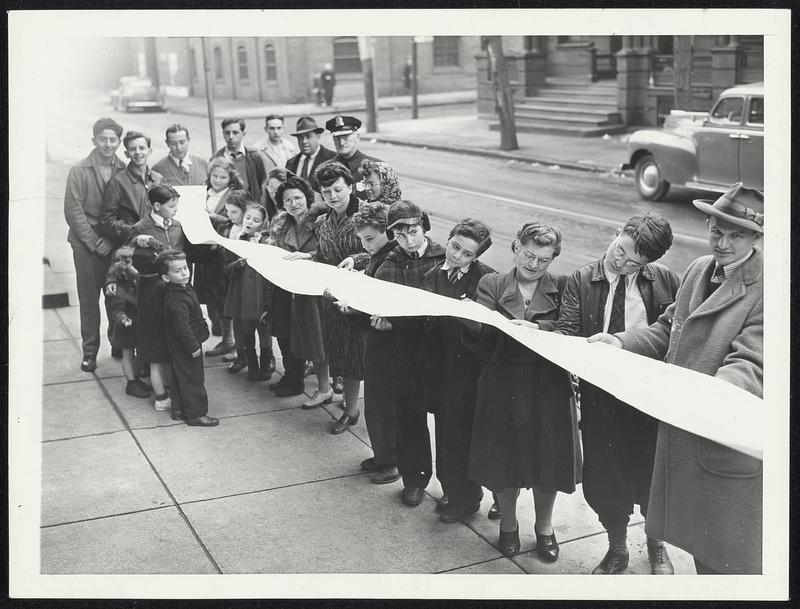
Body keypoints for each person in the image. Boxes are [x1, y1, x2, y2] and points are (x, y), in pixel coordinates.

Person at [588, 183, 764, 575]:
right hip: (683, 434)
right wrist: (618, 341)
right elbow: (669, 328)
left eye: (737, 235)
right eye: (717, 231)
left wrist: (699, 397)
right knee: (704, 554)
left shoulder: (768, 286)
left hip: (721, 440)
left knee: (729, 558)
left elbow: (752, 364)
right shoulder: (699, 269)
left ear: (756, 237)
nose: (723, 243)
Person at [555, 213, 678, 575]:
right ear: (617, 232)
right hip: (602, 395)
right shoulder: (582, 278)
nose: (620, 262)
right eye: (620, 250)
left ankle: (656, 544)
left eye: (634, 262)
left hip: (648, 395)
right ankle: (617, 546)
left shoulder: (666, 279)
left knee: (653, 473)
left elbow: (676, 329)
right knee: (606, 476)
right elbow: (567, 330)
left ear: (649, 263)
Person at [462, 222, 580, 563]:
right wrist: (471, 321)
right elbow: (481, 344)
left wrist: (538, 328)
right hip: (503, 383)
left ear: (553, 258)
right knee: (504, 461)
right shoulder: (492, 283)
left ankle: (545, 528)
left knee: (549, 464)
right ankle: (509, 525)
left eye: (544, 259)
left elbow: (572, 330)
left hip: (548, 385)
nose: (534, 264)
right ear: (516, 247)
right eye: (529, 254)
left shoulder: (563, 285)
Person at [419, 219, 496, 523]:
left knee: (462, 437)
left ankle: (467, 499)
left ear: (476, 258)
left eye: (467, 254)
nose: (458, 256)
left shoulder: (485, 280)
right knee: (445, 433)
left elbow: (490, 331)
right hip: (439, 368)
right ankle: (451, 488)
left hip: (469, 371)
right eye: (455, 247)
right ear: (448, 239)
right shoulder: (431, 274)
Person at [371, 200, 446, 507]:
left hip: (442, 355)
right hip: (404, 356)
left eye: (413, 232)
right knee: (408, 421)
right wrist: (376, 320)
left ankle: (455, 488)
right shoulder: (386, 265)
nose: (408, 240)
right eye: (400, 235)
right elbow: (372, 306)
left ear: (424, 227)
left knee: (449, 424)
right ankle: (414, 481)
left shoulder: (445, 258)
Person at [286, 162, 368, 432]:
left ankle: (352, 410)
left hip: (359, 294)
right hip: (331, 294)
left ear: (350, 186)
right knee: (339, 351)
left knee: (353, 353)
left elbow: (383, 250)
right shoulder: (322, 221)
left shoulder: (366, 215)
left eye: (337, 189)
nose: (332, 196)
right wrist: (307, 256)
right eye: (327, 191)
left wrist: (356, 260)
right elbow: (323, 255)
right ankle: (346, 402)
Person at [343, 203, 400, 484]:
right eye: (362, 240)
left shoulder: (390, 260)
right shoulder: (378, 256)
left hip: (388, 344)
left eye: (369, 239)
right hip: (375, 340)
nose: (364, 246)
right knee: (375, 404)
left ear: (387, 232)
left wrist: (352, 307)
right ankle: (382, 455)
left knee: (384, 405)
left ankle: (390, 462)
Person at [64, 117, 126, 372]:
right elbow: (73, 210)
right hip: (85, 246)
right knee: (89, 301)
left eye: (113, 140)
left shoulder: (124, 169)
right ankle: (90, 352)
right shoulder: (79, 170)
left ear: (119, 142)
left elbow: (126, 209)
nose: (108, 144)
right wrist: (93, 241)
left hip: (113, 245)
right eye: (103, 139)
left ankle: (117, 342)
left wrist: (111, 239)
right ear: (94, 140)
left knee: (115, 297)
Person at [268, 176, 332, 400]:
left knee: (312, 337)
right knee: (284, 333)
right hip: (285, 285)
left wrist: (309, 256)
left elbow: (329, 252)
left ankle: (299, 381)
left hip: (312, 288)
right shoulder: (281, 224)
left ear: (307, 198)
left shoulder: (321, 222)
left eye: (298, 198)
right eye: (288, 200)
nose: (293, 203)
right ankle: (291, 375)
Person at [127, 185, 188, 412]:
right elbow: (133, 261)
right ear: (156, 206)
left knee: (173, 338)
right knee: (155, 343)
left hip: (175, 294)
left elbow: (183, 254)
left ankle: (172, 388)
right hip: (152, 293)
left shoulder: (178, 226)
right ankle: (161, 396)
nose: (175, 210)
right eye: (172, 206)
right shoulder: (140, 229)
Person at [158, 249, 218, 427]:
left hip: (180, 346)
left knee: (179, 376)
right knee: (193, 379)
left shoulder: (182, 289)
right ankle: (196, 414)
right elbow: (182, 327)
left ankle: (178, 409)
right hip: (186, 346)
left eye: (185, 268)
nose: (184, 273)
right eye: (177, 271)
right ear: (166, 278)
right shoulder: (177, 299)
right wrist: (193, 347)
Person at [223, 203, 273, 382]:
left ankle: (266, 364)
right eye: (248, 218)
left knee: (264, 330)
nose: (250, 222)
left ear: (263, 224)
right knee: (246, 331)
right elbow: (226, 268)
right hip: (242, 292)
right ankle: (252, 365)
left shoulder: (268, 242)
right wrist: (238, 264)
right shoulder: (236, 240)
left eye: (256, 220)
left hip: (260, 292)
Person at [198, 158, 244, 358]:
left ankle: (234, 343)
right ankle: (227, 340)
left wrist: (211, 217)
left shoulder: (234, 195)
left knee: (227, 297)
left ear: (230, 178)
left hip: (225, 252)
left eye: (222, 177)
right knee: (216, 298)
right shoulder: (204, 193)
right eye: (214, 176)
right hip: (206, 252)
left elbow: (237, 218)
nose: (217, 180)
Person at [99, 130, 163, 248]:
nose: (138, 152)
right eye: (133, 149)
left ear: (149, 151)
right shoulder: (118, 182)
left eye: (142, 148)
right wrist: (133, 231)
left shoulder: (158, 179)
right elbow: (106, 221)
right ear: (126, 153)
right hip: (132, 246)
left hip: (158, 242)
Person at [103, 245, 150, 398]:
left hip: (138, 323)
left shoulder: (135, 282)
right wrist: (123, 318)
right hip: (127, 324)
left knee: (138, 354)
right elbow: (116, 309)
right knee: (128, 354)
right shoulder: (119, 288)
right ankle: (131, 383)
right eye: (130, 263)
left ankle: (135, 378)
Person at [211, 118, 268, 204]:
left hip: (252, 205)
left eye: (235, 133)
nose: (231, 137)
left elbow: (263, 182)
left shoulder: (254, 156)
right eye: (227, 133)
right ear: (223, 134)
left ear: (243, 134)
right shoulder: (217, 158)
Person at [324, 115, 382, 195]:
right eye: (337, 138)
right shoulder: (325, 169)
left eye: (346, 137)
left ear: (357, 137)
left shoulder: (377, 166)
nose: (341, 143)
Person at [286, 116, 337, 194]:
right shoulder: (291, 163)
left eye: (308, 137)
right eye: (300, 138)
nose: (304, 141)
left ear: (318, 136)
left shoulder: (333, 159)